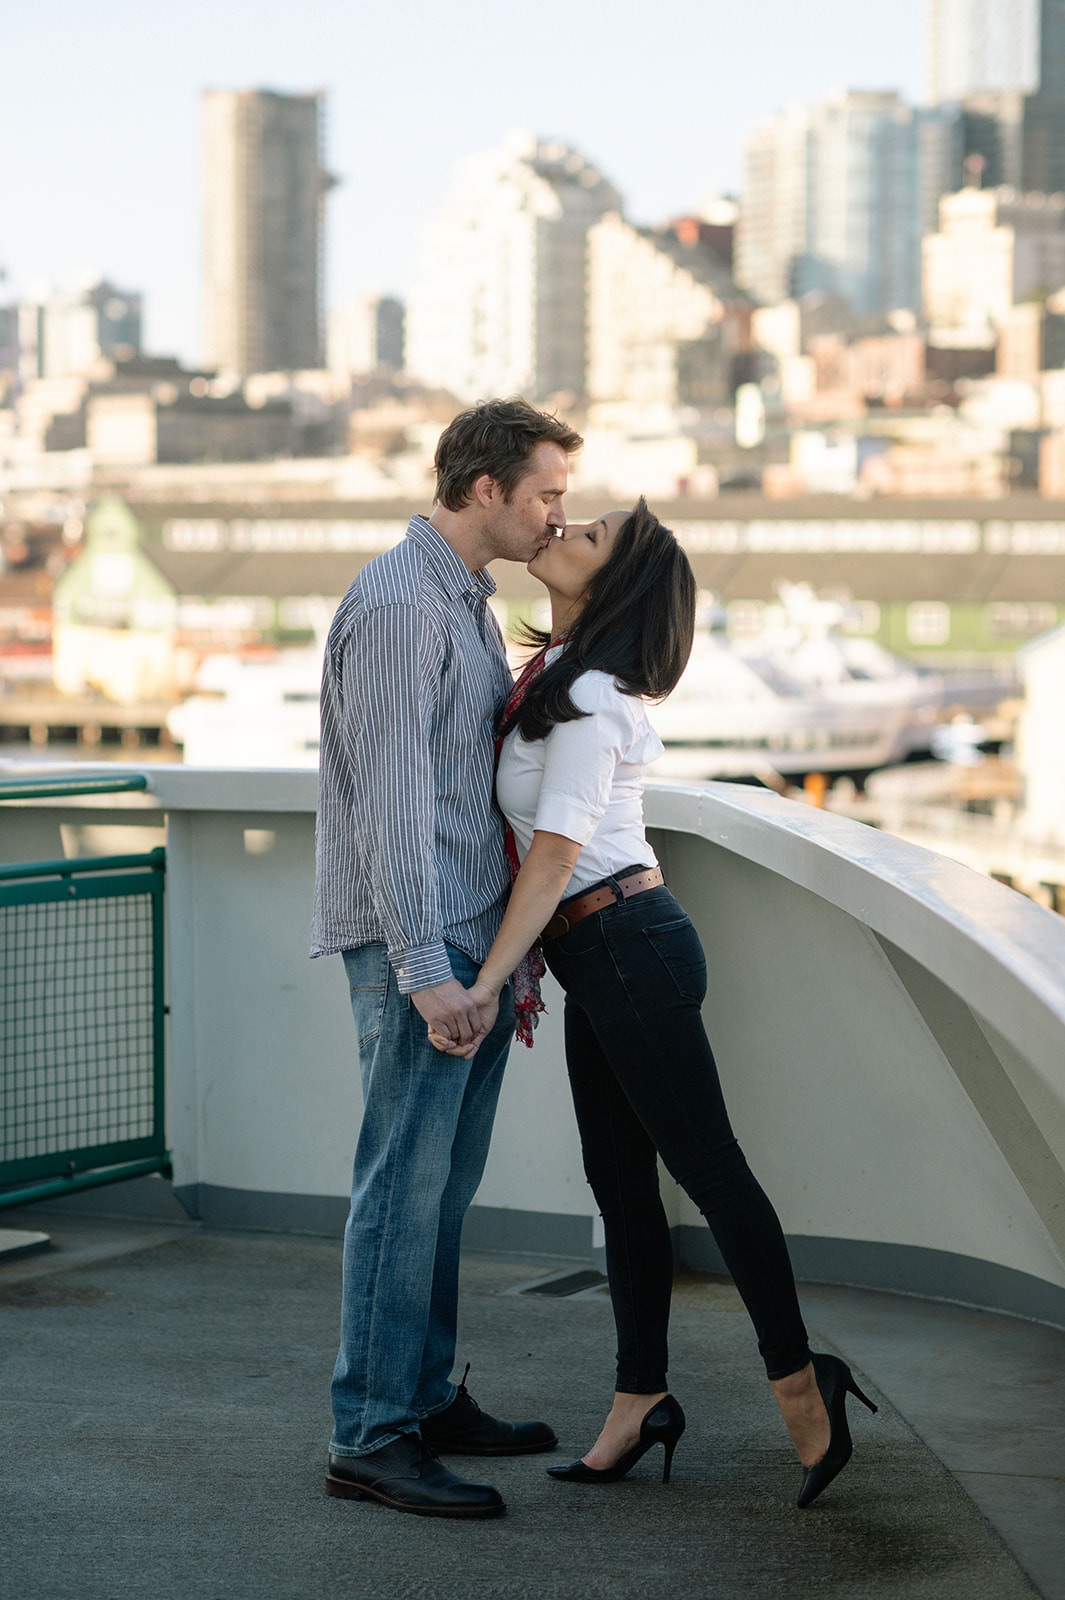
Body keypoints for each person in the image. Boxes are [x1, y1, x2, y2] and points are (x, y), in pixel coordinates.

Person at [431, 499, 877, 1509]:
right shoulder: (555, 675)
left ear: (616, 581)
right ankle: (639, 1403)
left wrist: (491, 978)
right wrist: (539, 957)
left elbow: (556, 850)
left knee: (711, 1172)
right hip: (602, 950)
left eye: (585, 533)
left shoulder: (593, 693)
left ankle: (806, 1388)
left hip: (627, 945)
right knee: (620, 1182)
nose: (561, 526)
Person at [310, 398, 583, 1519]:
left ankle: (420, 1395)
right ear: (485, 489)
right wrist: (427, 968)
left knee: (442, 1191)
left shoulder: (461, 602)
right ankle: (371, 1433)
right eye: (546, 493)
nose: (558, 515)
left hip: (471, 940)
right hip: (418, 943)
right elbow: (389, 808)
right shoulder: (397, 606)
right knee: (401, 1190)